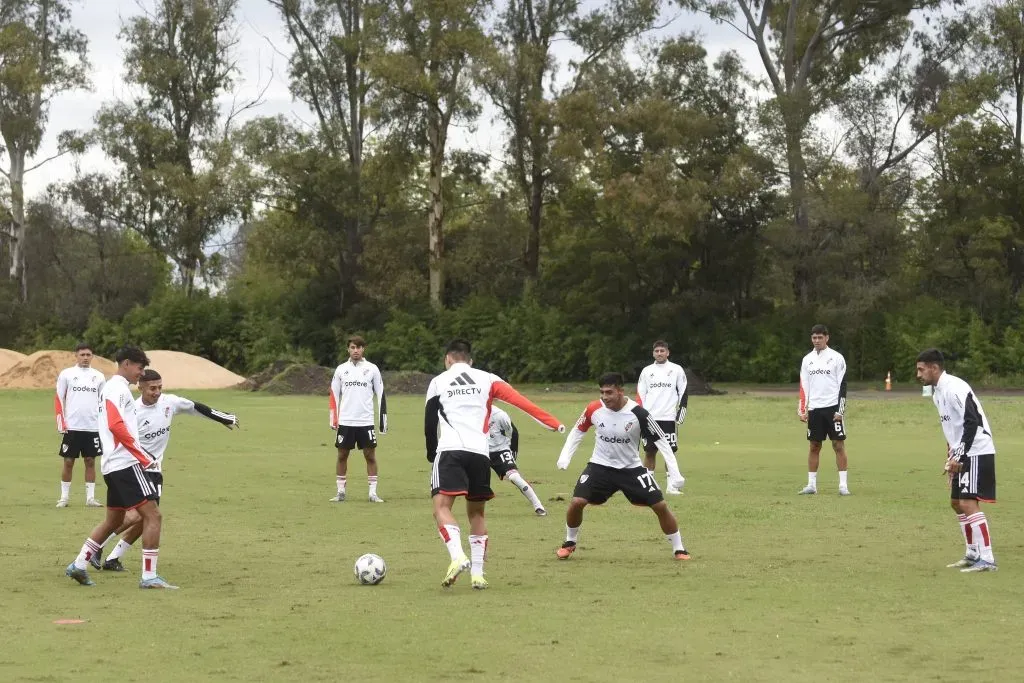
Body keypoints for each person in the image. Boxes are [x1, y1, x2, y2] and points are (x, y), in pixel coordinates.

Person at [425, 339, 564, 589]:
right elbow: (520, 402)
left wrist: (431, 453)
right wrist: (552, 422)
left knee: (442, 508)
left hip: (450, 451)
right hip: (481, 454)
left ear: (447, 359)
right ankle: (478, 574)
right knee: (476, 513)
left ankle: (457, 556)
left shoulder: (438, 381)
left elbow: (428, 422)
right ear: (470, 360)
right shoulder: (488, 378)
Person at [100, 368, 239, 572]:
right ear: (140, 388)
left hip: (155, 469)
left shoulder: (169, 402)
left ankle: (112, 558)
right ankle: (98, 546)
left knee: (147, 518)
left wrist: (223, 418)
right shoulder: (133, 411)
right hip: (135, 466)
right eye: (152, 388)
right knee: (138, 516)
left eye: (159, 388)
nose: (156, 392)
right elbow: (120, 435)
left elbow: (195, 407)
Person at [64, 346, 177, 589]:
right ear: (126, 363)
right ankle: (149, 577)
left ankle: (79, 565)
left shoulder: (113, 388)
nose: (141, 373)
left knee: (113, 521)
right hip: (125, 462)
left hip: (112, 464)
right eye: (139, 367)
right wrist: (141, 456)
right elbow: (115, 424)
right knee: (153, 515)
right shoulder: (117, 388)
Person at [555, 372, 691, 561]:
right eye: (601, 392)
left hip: (631, 468)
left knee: (660, 505)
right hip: (599, 466)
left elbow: (661, 441)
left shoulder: (639, 413)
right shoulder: (593, 409)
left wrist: (675, 473)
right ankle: (569, 542)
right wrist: (565, 457)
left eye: (609, 392)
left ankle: (679, 549)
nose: (604, 397)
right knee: (577, 502)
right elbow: (578, 431)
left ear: (620, 391)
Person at [916, 349, 998, 572]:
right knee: (956, 503)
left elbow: (971, 422)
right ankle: (972, 554)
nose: (918, 374)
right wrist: (950, 456)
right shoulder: (936, 393)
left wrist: (960, 455)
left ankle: (988, 559)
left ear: (934, 368)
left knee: (968, 503)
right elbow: (951, 428)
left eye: (921, 369)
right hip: (961, 452)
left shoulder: (955, 387)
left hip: (976, 450)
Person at [329, 336, 387, 503]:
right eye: (353, 347)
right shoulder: (341, 369)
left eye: (359, 347)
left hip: (365, 421)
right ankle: (340, 492)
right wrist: (334, 419)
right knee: (342, 454)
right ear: (348, 349)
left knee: (370, 455)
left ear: (364, 349)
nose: (356, 350)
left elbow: (381, 395)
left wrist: (383, 422)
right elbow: (334, 395)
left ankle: (372, 493)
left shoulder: (372, 369)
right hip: (346, 421)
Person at [796, 324, 850, 495]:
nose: (817, 341)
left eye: (820, 337)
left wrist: (840, 410)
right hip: (815, 409)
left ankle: (843, 486)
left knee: (838, 445)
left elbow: (843, 385)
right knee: (814, 446)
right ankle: (811, 485)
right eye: (814, 338)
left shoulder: (837, 358)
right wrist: (802, 409)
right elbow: (804, 386)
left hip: (833, 407)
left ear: (827, 338)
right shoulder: (807, 360)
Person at [54, 342, 106, 507]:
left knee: (90, 460)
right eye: (82, 355)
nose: (85, 358)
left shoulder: (99, 376)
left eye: (88, 355)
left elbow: (103, 402)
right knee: (68, 461)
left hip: (92, 427)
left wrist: (102, 424)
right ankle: (64, 497)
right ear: (76, 356)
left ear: (92, 356)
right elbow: (58, 398)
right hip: (72, 426)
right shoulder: (67, 374)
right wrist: (61, 421)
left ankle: (90, 498)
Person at [636, 339, 688, 494]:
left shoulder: (677, 369)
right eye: (657, 351)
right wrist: (641, 414)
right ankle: (648, 486)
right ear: (653, 353)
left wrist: (682, 410)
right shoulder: (646, 371)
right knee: (649, 452)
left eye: (662, 351)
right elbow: (640, 393)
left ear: (667, 352)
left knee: (670, 452)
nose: (659, 353)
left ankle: (672, 486)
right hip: (650, 418)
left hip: (668, 417)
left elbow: (683, 391)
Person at [487, 405, 547, 516]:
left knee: (514, 477)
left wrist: (513, 453)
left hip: (500, 450)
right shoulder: (469, 411)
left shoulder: (499, 415)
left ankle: (538, 506)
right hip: (478, 450)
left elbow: (513, 432)